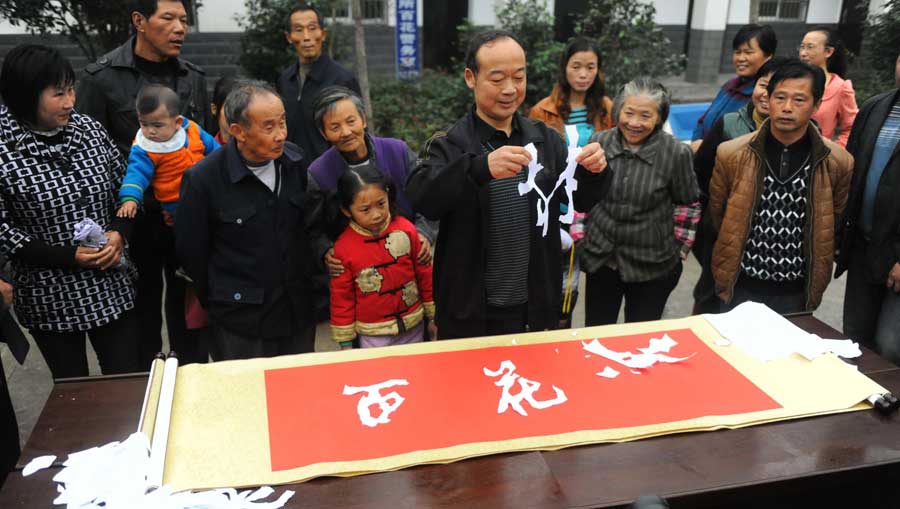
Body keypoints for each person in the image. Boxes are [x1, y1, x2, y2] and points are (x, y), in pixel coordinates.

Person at [406, 30, 608, 340]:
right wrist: (479, 168)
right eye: (497, 78)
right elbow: (423, 198)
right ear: (470, 78)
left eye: (519, 77)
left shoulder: (545, 139)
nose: (510, 89)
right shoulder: (450, 144)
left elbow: (581, 199)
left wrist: (595, 170)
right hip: (470, 310)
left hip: (535, 306)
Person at [76, 0, 211, 367]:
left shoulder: (193, 77)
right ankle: (144, 395)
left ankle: (192, 384)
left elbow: (206, 149)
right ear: (139, 21)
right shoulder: (99, 79)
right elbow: (86, 161)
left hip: (188, 220)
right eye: (168, 18)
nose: (179, 28)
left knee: (192, 313)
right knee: (139, 316)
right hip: (133, 225)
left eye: (184, 20)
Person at [0, 44, 141, 378]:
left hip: (110, 282)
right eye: (58, 94)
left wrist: (120, 233)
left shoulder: (88, 130)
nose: (70, 102)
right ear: (25, 95)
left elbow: (126, 187)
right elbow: (3, 229)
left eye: (71, 89)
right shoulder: (4, 147)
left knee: (125, 383)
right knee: (72, 393)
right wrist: (67, 256)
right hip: (49, 293)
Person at [175, 81, 317, 360]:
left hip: (296, 310)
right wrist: (222, 301)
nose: (280, 135)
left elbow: (306, 230)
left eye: (282, 122)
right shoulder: (204, 180)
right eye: (268, 127)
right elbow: (193, 255)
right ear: (238, 131)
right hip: (241, 319)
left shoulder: (295, 162)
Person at [709, 59, 853, 313]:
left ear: (816, 104)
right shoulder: (731, 153)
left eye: (799, 100)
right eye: (780, 98)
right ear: (768, 99)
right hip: (741, 283)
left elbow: (835, 219)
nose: (787, 108)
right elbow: (719, 213)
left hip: (796, 290)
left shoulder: (837, 162)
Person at [575, 78, 700, 325]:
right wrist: (581, 237)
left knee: (641, 336)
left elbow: (688, 204)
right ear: (618, 110)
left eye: (645, 115)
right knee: (597, 331)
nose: (634, 123)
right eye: (628, 113)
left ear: (659, 118)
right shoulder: (599, 142)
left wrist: (679, 250)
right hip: (602, 258)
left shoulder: (676, 153)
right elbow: (583, 194)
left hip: (653, 263)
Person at [307, 86, 436, 323]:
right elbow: (313, 228)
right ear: (323, 133)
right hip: (360, 280)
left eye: (351, 121)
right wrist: (325, 250)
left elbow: (428, 198)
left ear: (363, 119)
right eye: (335, 127)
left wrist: (424, 233)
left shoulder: (397, 151)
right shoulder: (318, 173)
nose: (346, 132)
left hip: (409, 264)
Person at [691, 56, 790, 314]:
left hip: (773, 246)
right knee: (710, 301)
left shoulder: (803, 134)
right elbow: (701, 172)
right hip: (722, 235)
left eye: (779, 91)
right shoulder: (729, 124)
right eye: (764, 85)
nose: (768, 95)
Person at [835, 54, 900, 364]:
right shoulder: (876, 107)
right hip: (863, 245)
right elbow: (852, 170)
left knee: (891, 345)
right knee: (855, 338)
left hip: (897, 256)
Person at [329, 167, 435, 348]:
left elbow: (425, 275)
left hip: (414, 324)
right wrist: (345, 342)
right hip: (373, 334)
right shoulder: (343, 248)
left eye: (381, 204)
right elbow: (342, 298)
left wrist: (433, 316)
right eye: (365, 209)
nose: (376, 214)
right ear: (347, 211)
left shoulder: (406, 229)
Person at [117, 84, 220, 224]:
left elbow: (216, 151)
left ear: (177, 122)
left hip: (207, 191)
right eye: (144, 124)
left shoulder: (192, 130)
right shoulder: (144, 148)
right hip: (177, 203)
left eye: (157, 125)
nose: (150, 131)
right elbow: (136, 174)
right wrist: (130, 198)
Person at [277, 3, 361, 161]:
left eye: (312, 27)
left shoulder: (342, 79)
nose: (306, 37)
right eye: (299, 30)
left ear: (323, 34)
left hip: (330, 174)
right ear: (289, 37)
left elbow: (358, 134)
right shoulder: (285, 80)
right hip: (290, 173)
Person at [691, 24, 777, 151]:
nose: (741, 58)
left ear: (768, 56)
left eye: (748, 52)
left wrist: (705, 149)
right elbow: (703, 121)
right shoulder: (729, 86)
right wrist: (696, 143)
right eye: (737, 52)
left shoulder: (761, 97)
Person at [529, 37, 614, 145]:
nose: (583, 75)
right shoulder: (542, 111)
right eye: (576, 67)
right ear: (565, 67)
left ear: (598, 70)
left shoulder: (607, 108)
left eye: (590, 68)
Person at [799, 27, 858, 147]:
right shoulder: (788, 79)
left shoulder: (841, 87)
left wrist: (833, 152)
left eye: (810, 47)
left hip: (817, 158)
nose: (803, 53)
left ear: (828, 52)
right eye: (802, 47)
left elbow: (851, 128)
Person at [211, 75, 242, 145]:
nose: (236, 116)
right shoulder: (204, 150)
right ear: (214, 109)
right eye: (230, 109)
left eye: (241, 110)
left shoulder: (257, 152)